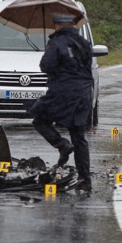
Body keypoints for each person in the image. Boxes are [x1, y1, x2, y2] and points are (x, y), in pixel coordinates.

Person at [27, 12, 94, 192]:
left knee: (39, 119)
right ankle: (85, 180)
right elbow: (87, 66)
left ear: (57, 26)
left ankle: (62, 145)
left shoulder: (56, 43)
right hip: (84, 93)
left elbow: (45, 66)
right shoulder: (84, 43)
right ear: (72, 25)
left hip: (62, 92)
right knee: (78, 135)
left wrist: (49, 50)